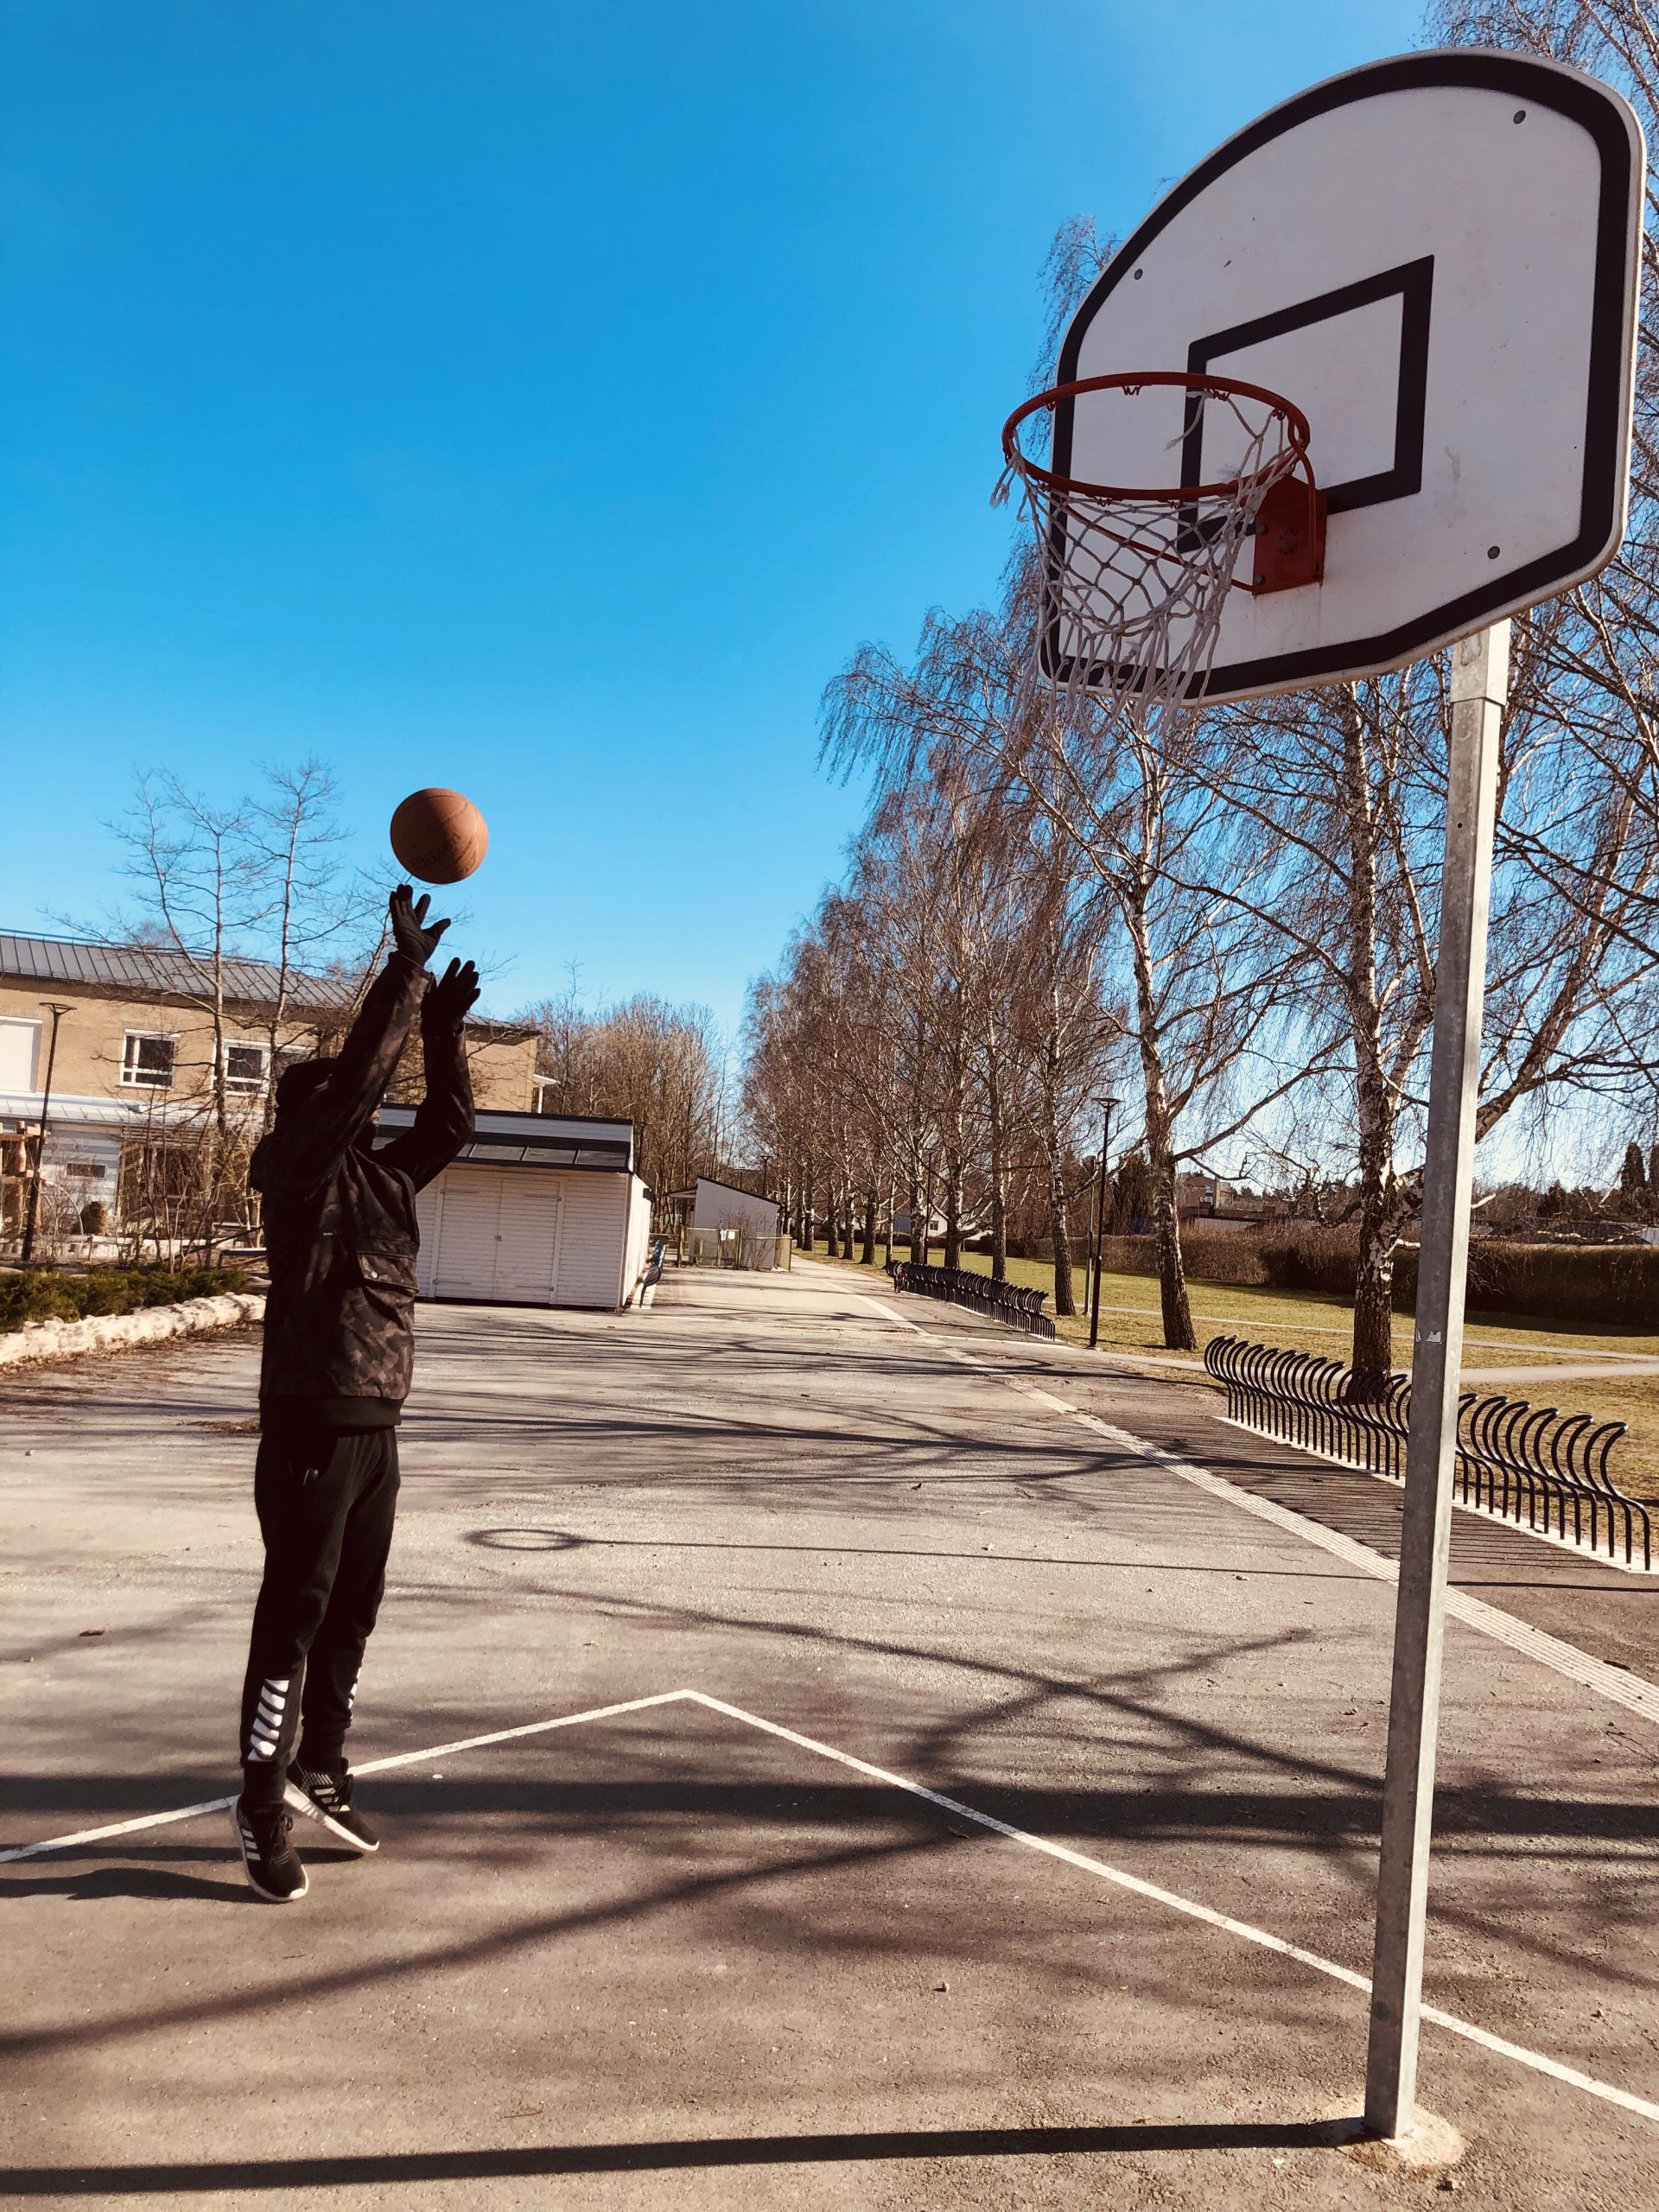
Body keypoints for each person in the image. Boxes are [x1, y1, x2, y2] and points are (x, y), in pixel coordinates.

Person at [231, 884, 479, 1902]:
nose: (362, 1107)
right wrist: (403, 973)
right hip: (311, 1429)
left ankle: (321, 1762)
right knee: (295, 1614)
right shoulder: (300, 1172)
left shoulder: (381, 1182)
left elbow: (451, 1125)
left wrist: (443, 1034)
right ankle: (259, 1802)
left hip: (377, 1430)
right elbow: (357, 1084)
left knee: (355, 1609)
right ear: (310, 1114)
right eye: (343, 1100)